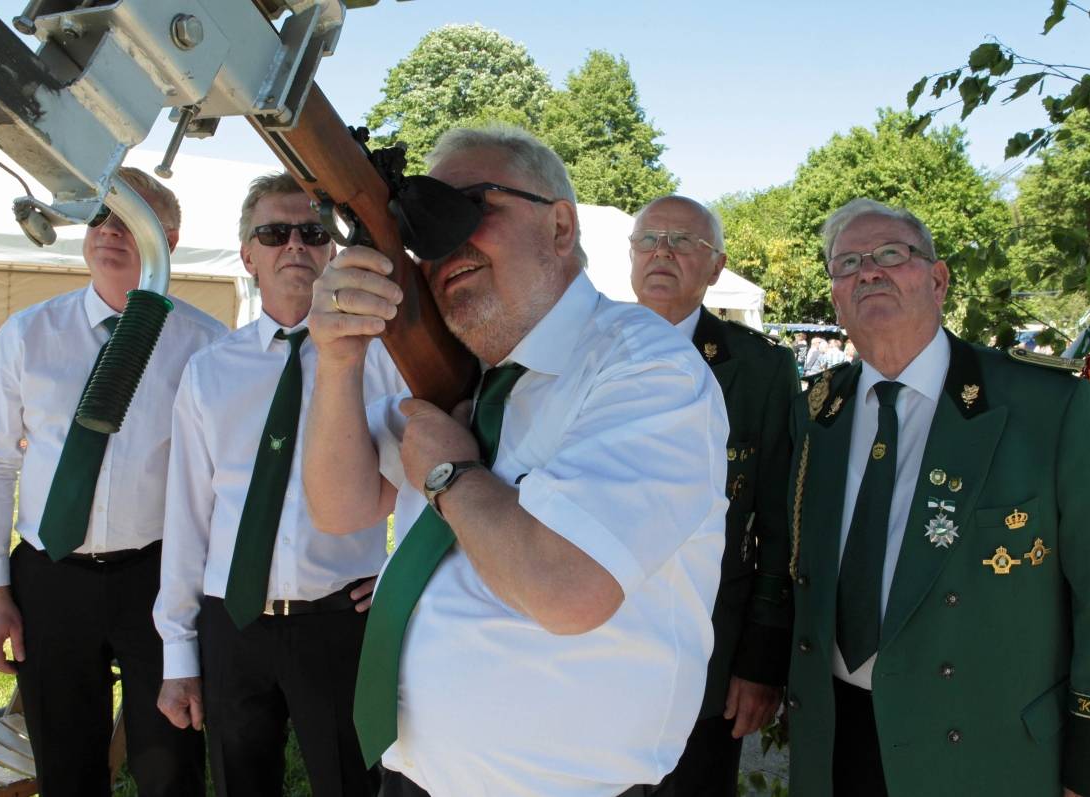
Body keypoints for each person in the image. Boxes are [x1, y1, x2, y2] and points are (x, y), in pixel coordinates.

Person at [302, 125, 728, 796]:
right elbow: (340, 508)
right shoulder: (456, 367)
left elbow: (567, 589)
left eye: (472, 206)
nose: (445, 246)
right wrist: (338, 355)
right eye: (425, 230)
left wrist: (450, 475)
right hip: (411, 776)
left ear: (560, 225)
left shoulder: (644, 364)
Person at [786, 198, 1090, 797]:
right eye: (848, 264)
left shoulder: (1045, 407)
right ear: (837, 298)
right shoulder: (816, 413)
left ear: (938, 279)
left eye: (892, 254)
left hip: (981, 746)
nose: (869, 272)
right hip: (839, 736)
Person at [0, 166, 222, 797]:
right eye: (103, 217)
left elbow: (222, 481)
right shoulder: (28, 335)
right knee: (65, 760)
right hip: (51, 577)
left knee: (169, 761)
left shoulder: (205, 345)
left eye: (133, 223)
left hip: (157, 577)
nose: (111, 232)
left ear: (170, 238)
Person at [154, 173, 400, 796]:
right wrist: (179, 656)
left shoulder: (382, 362)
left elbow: (427, 476)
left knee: (353, 783)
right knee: (243, 783)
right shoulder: (209, 372)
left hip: (340, 620)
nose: (294, 244)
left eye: (312, 232)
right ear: (248, 255)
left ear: (332, 252)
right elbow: (187, 516)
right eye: (273, 232)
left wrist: (401, 575)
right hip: (234, 623)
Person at [628, 195, 797, 795]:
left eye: (682, 243)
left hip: (704, 649)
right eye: (648, 240)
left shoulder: (760, 370)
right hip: (594, 633)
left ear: (716, 266)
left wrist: (759, 662)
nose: (662, 253)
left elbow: (780, 524)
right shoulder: (584, 349)